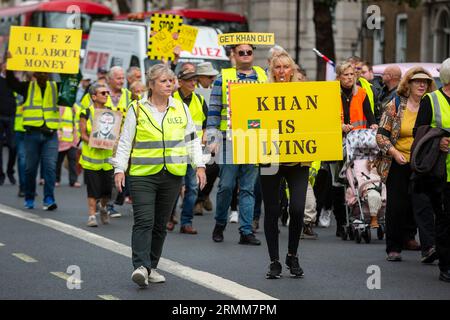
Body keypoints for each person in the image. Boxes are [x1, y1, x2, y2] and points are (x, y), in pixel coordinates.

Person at [112, 64, 206, 288]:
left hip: (172, 174)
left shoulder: (181, 109)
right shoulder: (137, 109)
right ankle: (140, 267)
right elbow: (126, 142)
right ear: (152, 85)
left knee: (160, 224)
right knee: (144, 220)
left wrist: (199, 166)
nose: (169, 85)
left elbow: (191, 140)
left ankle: (151, 266)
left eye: (171, 81)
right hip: (143, 174)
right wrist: (119, 169)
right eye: (164, 81)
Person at [207, 43, 267, 245]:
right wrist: (212, 138)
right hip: (228, 140)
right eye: (241, 52)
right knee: (226, 186)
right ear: (234, 55)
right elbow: (214, 109)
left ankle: (246, 230)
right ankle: (220, 223)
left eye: (249, 52)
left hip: (253, 139)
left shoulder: (262, 77)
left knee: (248, 188)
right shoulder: (223, 78)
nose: (245, 55)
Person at [376, 67, 436, 262]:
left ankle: (429, 248)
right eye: (417, 81)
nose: (421, 84)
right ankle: (393, 247)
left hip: (423, 163)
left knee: (424, 205)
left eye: (425, 82)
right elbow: (381, 135)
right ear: (408, 84)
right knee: (397, 205)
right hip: (398, 161)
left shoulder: (432, 105)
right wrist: (394, 152)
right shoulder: (395, 104)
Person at [262, 52, 309, 279]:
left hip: (298, 160)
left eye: (285, 67)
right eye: (277, 67)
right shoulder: (261, 93)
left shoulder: (304, 92)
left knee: (298, 208)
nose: (281, 71)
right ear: (272, 70)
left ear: (292, 70)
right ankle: (274, 261)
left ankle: (292, 254)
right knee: (271, 210)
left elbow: (315, 122)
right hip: (269, 159)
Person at [5, 55, 60, 210]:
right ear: (35, 74)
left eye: (45, 73)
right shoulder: (27, 87)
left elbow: (72, 85)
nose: (43, 75)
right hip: (31, 134)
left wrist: (71, 65)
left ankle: (49, 199)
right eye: (40, 73)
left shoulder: (56, 87)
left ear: (49, 74)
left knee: (50, 167)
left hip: (50, 135)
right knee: (30, 168)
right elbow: (11, 82)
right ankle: (29, 196)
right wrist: (10, 63)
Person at [413, 58, 450, 282]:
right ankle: (446, 265)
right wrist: (439, 142)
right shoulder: (431, 100)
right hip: (440, 172)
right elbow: (420, 133)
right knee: (446, 218)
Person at [173, 67, 208, 235]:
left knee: (192, 188)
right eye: (189, 80)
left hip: (193, 151)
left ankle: (186, 221)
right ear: (180, 82)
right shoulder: (170, 99)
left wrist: (205, 138)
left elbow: (207, 125)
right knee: (173, 187)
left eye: (195, 79)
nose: (193, 82)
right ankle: (169, 217)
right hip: (173, 151)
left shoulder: (200, 100)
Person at [79, 83, 114, 227]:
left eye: (107, 93)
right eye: (103, 93)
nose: (106, 95)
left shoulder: (111, 112)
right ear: (94, 97)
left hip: (107, 160)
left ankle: (103, 208)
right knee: (93, 190)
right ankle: (92, 216)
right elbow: (82, 134)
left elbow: (115, 132)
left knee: (106, 191)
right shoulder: (85, 113)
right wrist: (95, 142)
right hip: (91, 160)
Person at [0, 61, 17, 186]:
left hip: (11, 117)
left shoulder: (15, 81)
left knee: (13, 146)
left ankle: (10, 170)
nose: (6, 68)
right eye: (5, 66)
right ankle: (1, 174)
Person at [55, 105, 81, 188]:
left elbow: (76, 124)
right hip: (61, 140)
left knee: (73, 161)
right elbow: (57, 122)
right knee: (58, 161)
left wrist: (76, 139)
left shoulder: (75, 108)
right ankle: (56, 180)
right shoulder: (60, 107)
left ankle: (73, 181)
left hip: (71, 141)